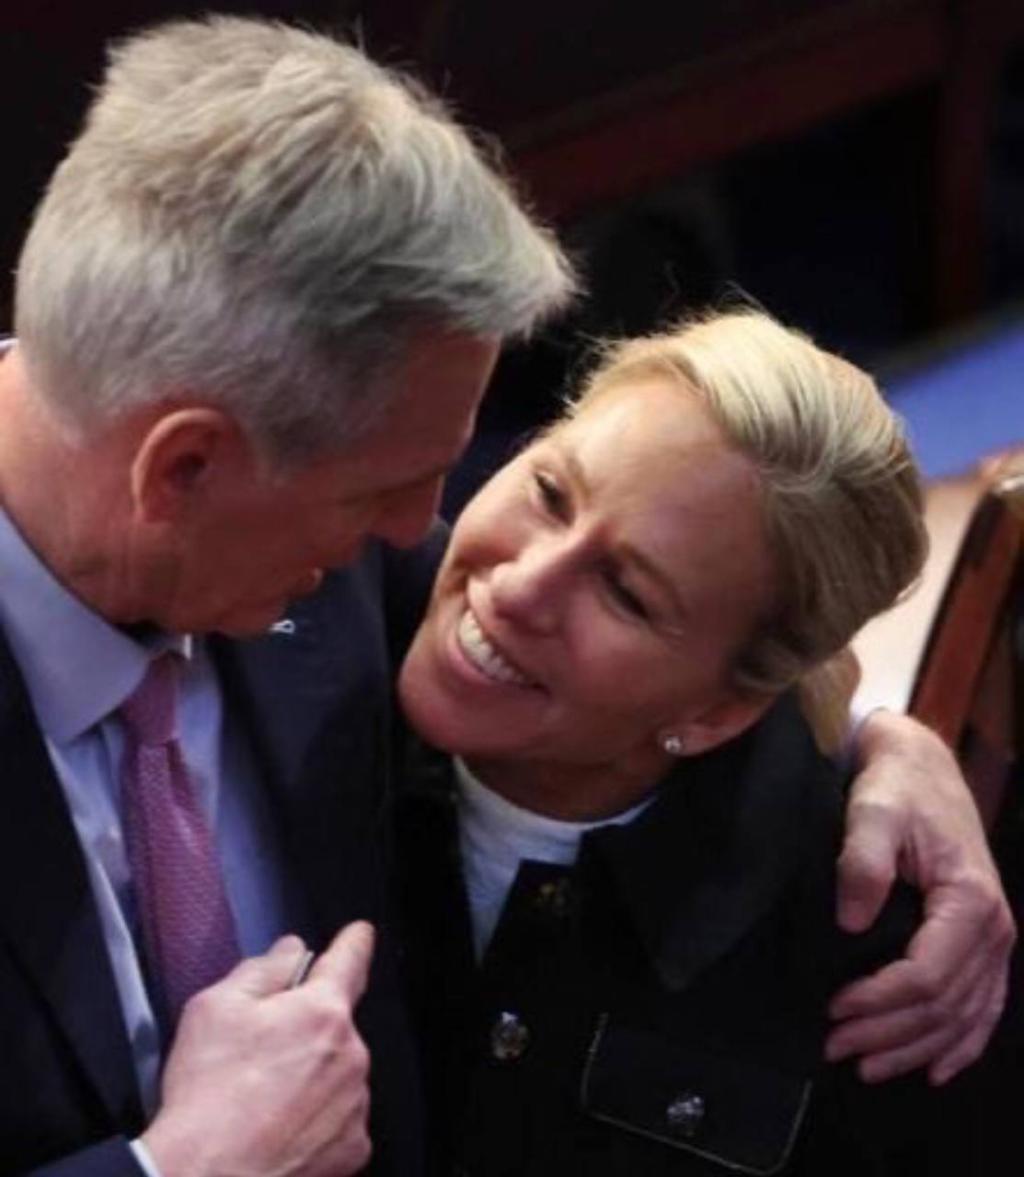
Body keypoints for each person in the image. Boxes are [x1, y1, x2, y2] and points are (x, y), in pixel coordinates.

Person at [0, 12, 1010, 1177]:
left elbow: (688, 634)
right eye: (385, 489)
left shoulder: (301, 542)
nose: (426, 535)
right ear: (183, 469)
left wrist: (886, 745)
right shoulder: (291, 536)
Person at [394, 310, 984, 1175]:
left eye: (626, 594)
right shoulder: (300, 621)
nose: (519, 587)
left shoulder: (881, 966)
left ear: (719, 711)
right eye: (551, 492)